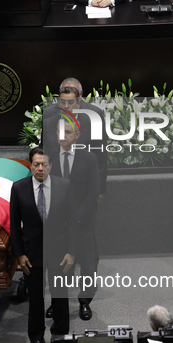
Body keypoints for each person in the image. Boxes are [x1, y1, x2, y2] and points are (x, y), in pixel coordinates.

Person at [10, 147, 78, 343]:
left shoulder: (64, 186)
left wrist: (72, 252)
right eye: (36, 164)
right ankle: (36, 338)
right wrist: (19, 255)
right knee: (36, 299)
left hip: (60, 253)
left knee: (60, 297)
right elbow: (14, 224)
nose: (40, 168)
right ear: (30, 166)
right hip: (32, 254)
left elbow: (73, 223)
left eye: (44, 164)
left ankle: (61, 338)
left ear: (51, 165)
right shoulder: (19, 188)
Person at [47, 120, 100, 321]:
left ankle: (85, 301)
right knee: (57, 265)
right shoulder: (49, 156)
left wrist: (76, 218)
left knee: (87, 263)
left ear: (77, 135)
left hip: (83, 221)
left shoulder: (89, 158)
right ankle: (57, 301)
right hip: (57, 225)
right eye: (60, 132)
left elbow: (93, 192)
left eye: (68, 132)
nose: (63, 136)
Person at [42, 77, 107, 197]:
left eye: (71, 102)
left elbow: (100, 155)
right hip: (55, 189)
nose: (66, 106)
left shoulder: (94, 116)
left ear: (79, 101)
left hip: (85, 188)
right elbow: (44, 152)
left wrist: (99, 188)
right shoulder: (48, 114)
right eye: (62, 102)